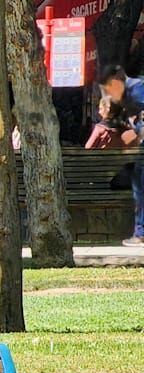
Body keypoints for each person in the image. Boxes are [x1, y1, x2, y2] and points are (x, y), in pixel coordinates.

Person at [99, 65, 144, 246]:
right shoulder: (129, 95)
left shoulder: (137, 90)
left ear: (117, 82)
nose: (109, 94)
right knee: (139, 187)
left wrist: (138, 132)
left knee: (140, 188)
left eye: (109, 88)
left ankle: (141, 234)